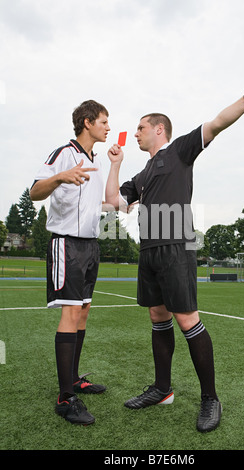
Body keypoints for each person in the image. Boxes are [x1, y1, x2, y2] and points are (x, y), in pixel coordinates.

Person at [105, 60, 244, 432]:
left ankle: (210, 399)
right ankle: (162, 389)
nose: (134, 134)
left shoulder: (181, 149)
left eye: (140, 128)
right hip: (149, 251)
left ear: (158, 129)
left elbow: (218, 122)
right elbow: (113, 204)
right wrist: (116, 166)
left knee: (187, 319)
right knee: (158, 317)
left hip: (176, 247)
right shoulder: (141, 174)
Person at [30, 100, 123, 425]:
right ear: (87, 122)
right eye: (103, 121)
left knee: (82, 311)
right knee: (70, 312)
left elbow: (101, 204)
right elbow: (34, 192)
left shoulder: (94, 161)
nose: (108, 127)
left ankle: (73, 381)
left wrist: (116, 173)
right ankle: (65, 398)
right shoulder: (64, 155)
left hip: (90, 246)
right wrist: (61, 178)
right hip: (66, 244)